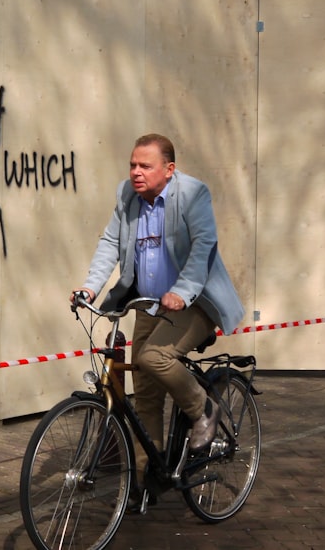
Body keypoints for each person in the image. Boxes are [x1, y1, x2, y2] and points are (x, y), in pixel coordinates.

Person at [71, 133, 244, 488]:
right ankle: (143, 481)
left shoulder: (193, 194)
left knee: (153, 358)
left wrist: (182, 291)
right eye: (132, 164)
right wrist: (90, 286)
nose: (136, 172)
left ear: (169, 169)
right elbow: (109, 242)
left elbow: (203, 246)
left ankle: (203, 409)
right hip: (148, 305)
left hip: (195, 302)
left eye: (145, 166)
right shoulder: (127, 195)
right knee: (145, 397)